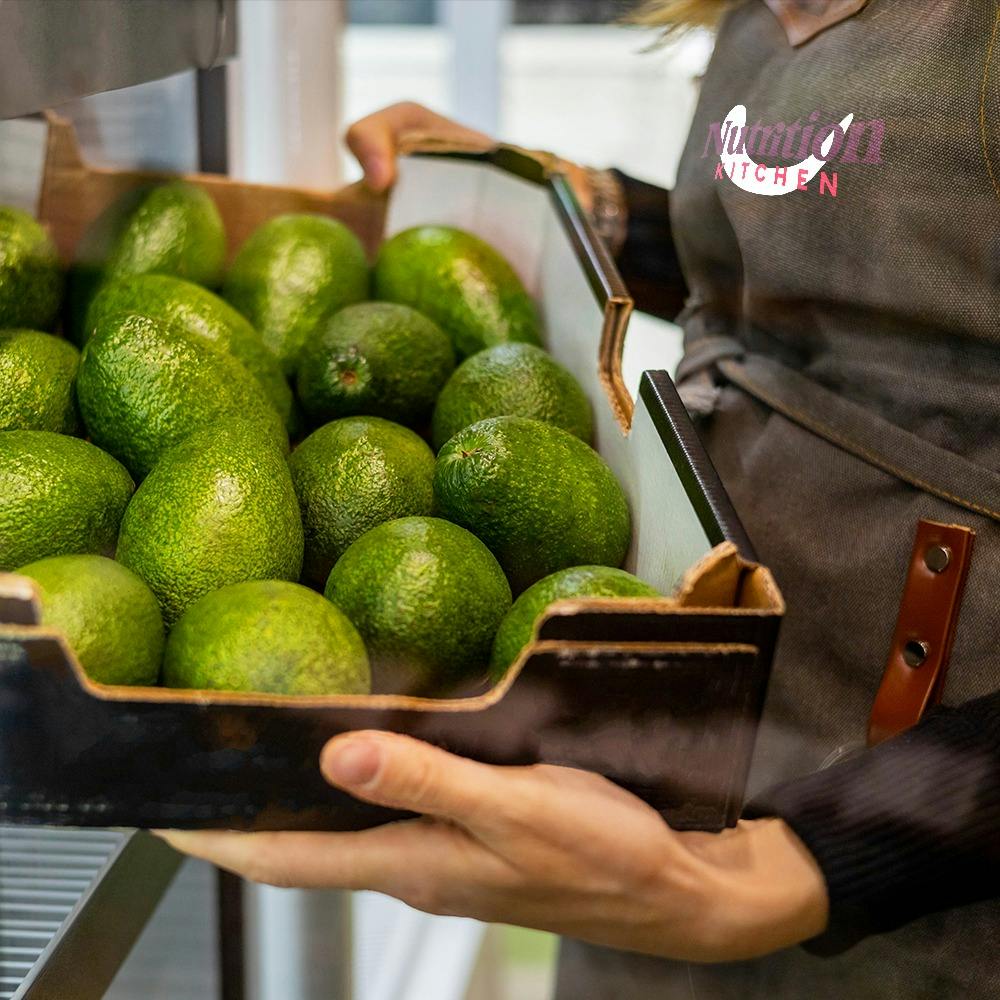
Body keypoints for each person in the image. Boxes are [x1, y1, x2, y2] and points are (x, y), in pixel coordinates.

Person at [160, 1, 1000, 996]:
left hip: (918, 821)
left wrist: (811, 857)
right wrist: (589, 206)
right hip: (685, 736)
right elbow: (805, 280)